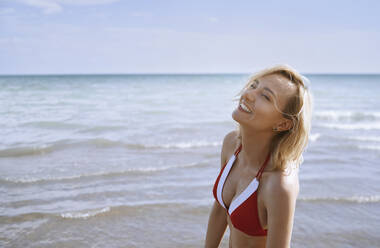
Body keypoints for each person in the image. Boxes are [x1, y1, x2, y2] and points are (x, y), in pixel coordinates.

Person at [204, 65, 312, 248]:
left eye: (266, 96)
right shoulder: (231, 144)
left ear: (283, 123)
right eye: (253, 85)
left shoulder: (279, 185)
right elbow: (220, 210)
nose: (247, 94)